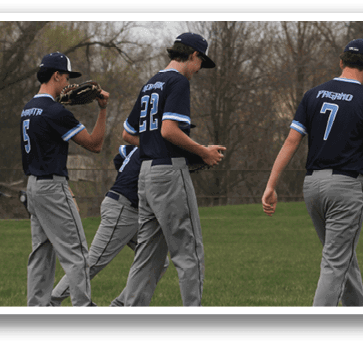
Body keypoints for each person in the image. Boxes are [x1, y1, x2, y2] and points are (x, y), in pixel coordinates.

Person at [262, 38, 363, 307]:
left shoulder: (313, 94)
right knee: (336, 262)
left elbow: (291, 141)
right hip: (345, 188)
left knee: (342, 256)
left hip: (312, 186)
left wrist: (270, 184)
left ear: (341, 61)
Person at [119, 33, 225, 306]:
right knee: (189, 252)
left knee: (148, 255)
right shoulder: (177, 81)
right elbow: (168, 130)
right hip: (169, 175)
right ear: (194, 56)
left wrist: (154, 143)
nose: (199, 69)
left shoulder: (150, 84)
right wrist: (203, 151)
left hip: (146, 175)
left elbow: (128, 134)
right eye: (201, 61)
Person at [21, 52, 109, 306]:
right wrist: (103, 110)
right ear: (56, 74)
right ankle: (83, 306)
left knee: (41, 252)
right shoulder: (55, 111)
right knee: (78, 252)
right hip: (51, 187)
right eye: (66, 77)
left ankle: (37, 308)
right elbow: (94, 144)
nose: (68, 84)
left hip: (34, 188)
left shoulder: (28, 108)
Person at [49, 145, 169, 306]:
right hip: (122, 210)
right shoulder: (157, 148)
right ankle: (51, 301)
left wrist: (127, 174)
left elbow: (120, 155)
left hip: (128, 210)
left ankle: (120, 305)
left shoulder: (141, 147)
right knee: (93, 262)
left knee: (158, 260)